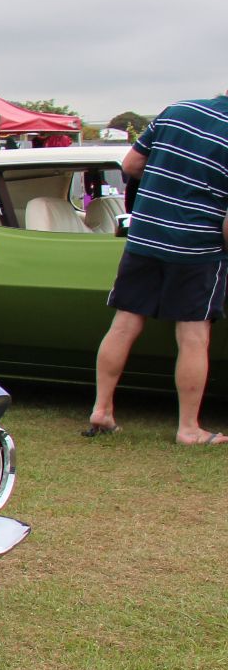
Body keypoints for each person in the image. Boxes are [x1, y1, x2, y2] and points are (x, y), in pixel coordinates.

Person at [86, 90, 228, 444]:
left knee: (123, 325)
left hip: (145, 238)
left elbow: (131, 166)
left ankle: (102, 409)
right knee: (194, 337)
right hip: (198, 248)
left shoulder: (177, 110)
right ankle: (189, 429)